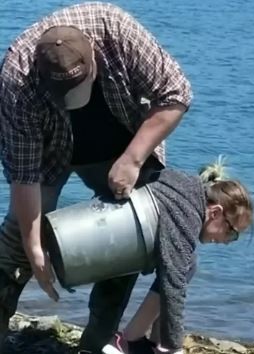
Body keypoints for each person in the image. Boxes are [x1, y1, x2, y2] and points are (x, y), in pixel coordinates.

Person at [0, 2, 191, 353]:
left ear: (94, 59)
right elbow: (23, 172)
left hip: (123, 144)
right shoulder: (16, 78)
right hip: (50, 153)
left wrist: (133, 159)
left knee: (127, 242)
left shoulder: (117, 32)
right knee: (15, 246)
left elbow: (176, 94)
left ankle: (95, 345)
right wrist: (33, 245)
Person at [101, 158, 254, 354]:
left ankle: (154, 343)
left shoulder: (187, 188)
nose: (226, 242)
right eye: (231, 233)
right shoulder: (187, 216)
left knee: (186, 264)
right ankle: (125, 342)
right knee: (184, 267)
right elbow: (174, 286)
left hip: (113, 233)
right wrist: (175, 345)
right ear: (215, 212)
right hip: (103, 242)